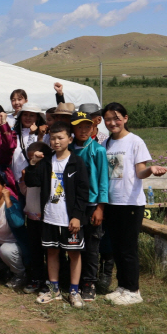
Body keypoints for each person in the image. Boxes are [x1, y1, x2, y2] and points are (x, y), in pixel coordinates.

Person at [102, 102, 167, 306]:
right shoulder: (106, 143)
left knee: (128, 248)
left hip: (130, 203)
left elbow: (140, 172)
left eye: (116, 118)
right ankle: (122, 286)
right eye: (108, 119)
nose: (112, 122)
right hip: (112, 203)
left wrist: (151, 170)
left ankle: (133, 290)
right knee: (117, 247)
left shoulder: (135, 142)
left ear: (126, 118)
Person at [25, 121, 90, 308]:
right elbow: (32, 182)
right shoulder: (46, 161)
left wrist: (77, 215)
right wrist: (32, 164)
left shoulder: (77, 162)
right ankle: (54, 289)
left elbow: (83, 191)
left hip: (70, 218)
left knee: (74, 254)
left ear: (70, 139)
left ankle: (74, 291)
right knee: (52, 252)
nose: (56, 141)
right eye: (52, 138)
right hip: (50, 216)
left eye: (60, 137)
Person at [70, 111, 109, 302]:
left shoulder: (98, 150)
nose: (84, 130)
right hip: (72, 205)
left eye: (87, 126)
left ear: (93, 127)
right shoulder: (68, 149)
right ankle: (71, 280)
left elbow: (103, 180)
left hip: (92, 204)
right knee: (74, 245)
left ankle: (89, 282)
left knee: (92, 247)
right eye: (79, 127)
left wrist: (100, 207)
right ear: (73, 129)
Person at [21, 141, 53, 295]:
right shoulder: (29, 169)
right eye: (29, 158)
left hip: (47, 216)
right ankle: (36, 278)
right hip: (32, 216)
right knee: (35, 250)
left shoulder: (48, 168)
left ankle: (50, 279)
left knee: (50, 251)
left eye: (34, 157)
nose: (31, 160)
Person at [11, 103, 47, 198]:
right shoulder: (14, 135)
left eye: (32, 115)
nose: (28, 118)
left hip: (32, 180)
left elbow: (30, 154)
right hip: (15, 180)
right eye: (25, 114)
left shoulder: (42, 135)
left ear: (37, 118)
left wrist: (32, 134)